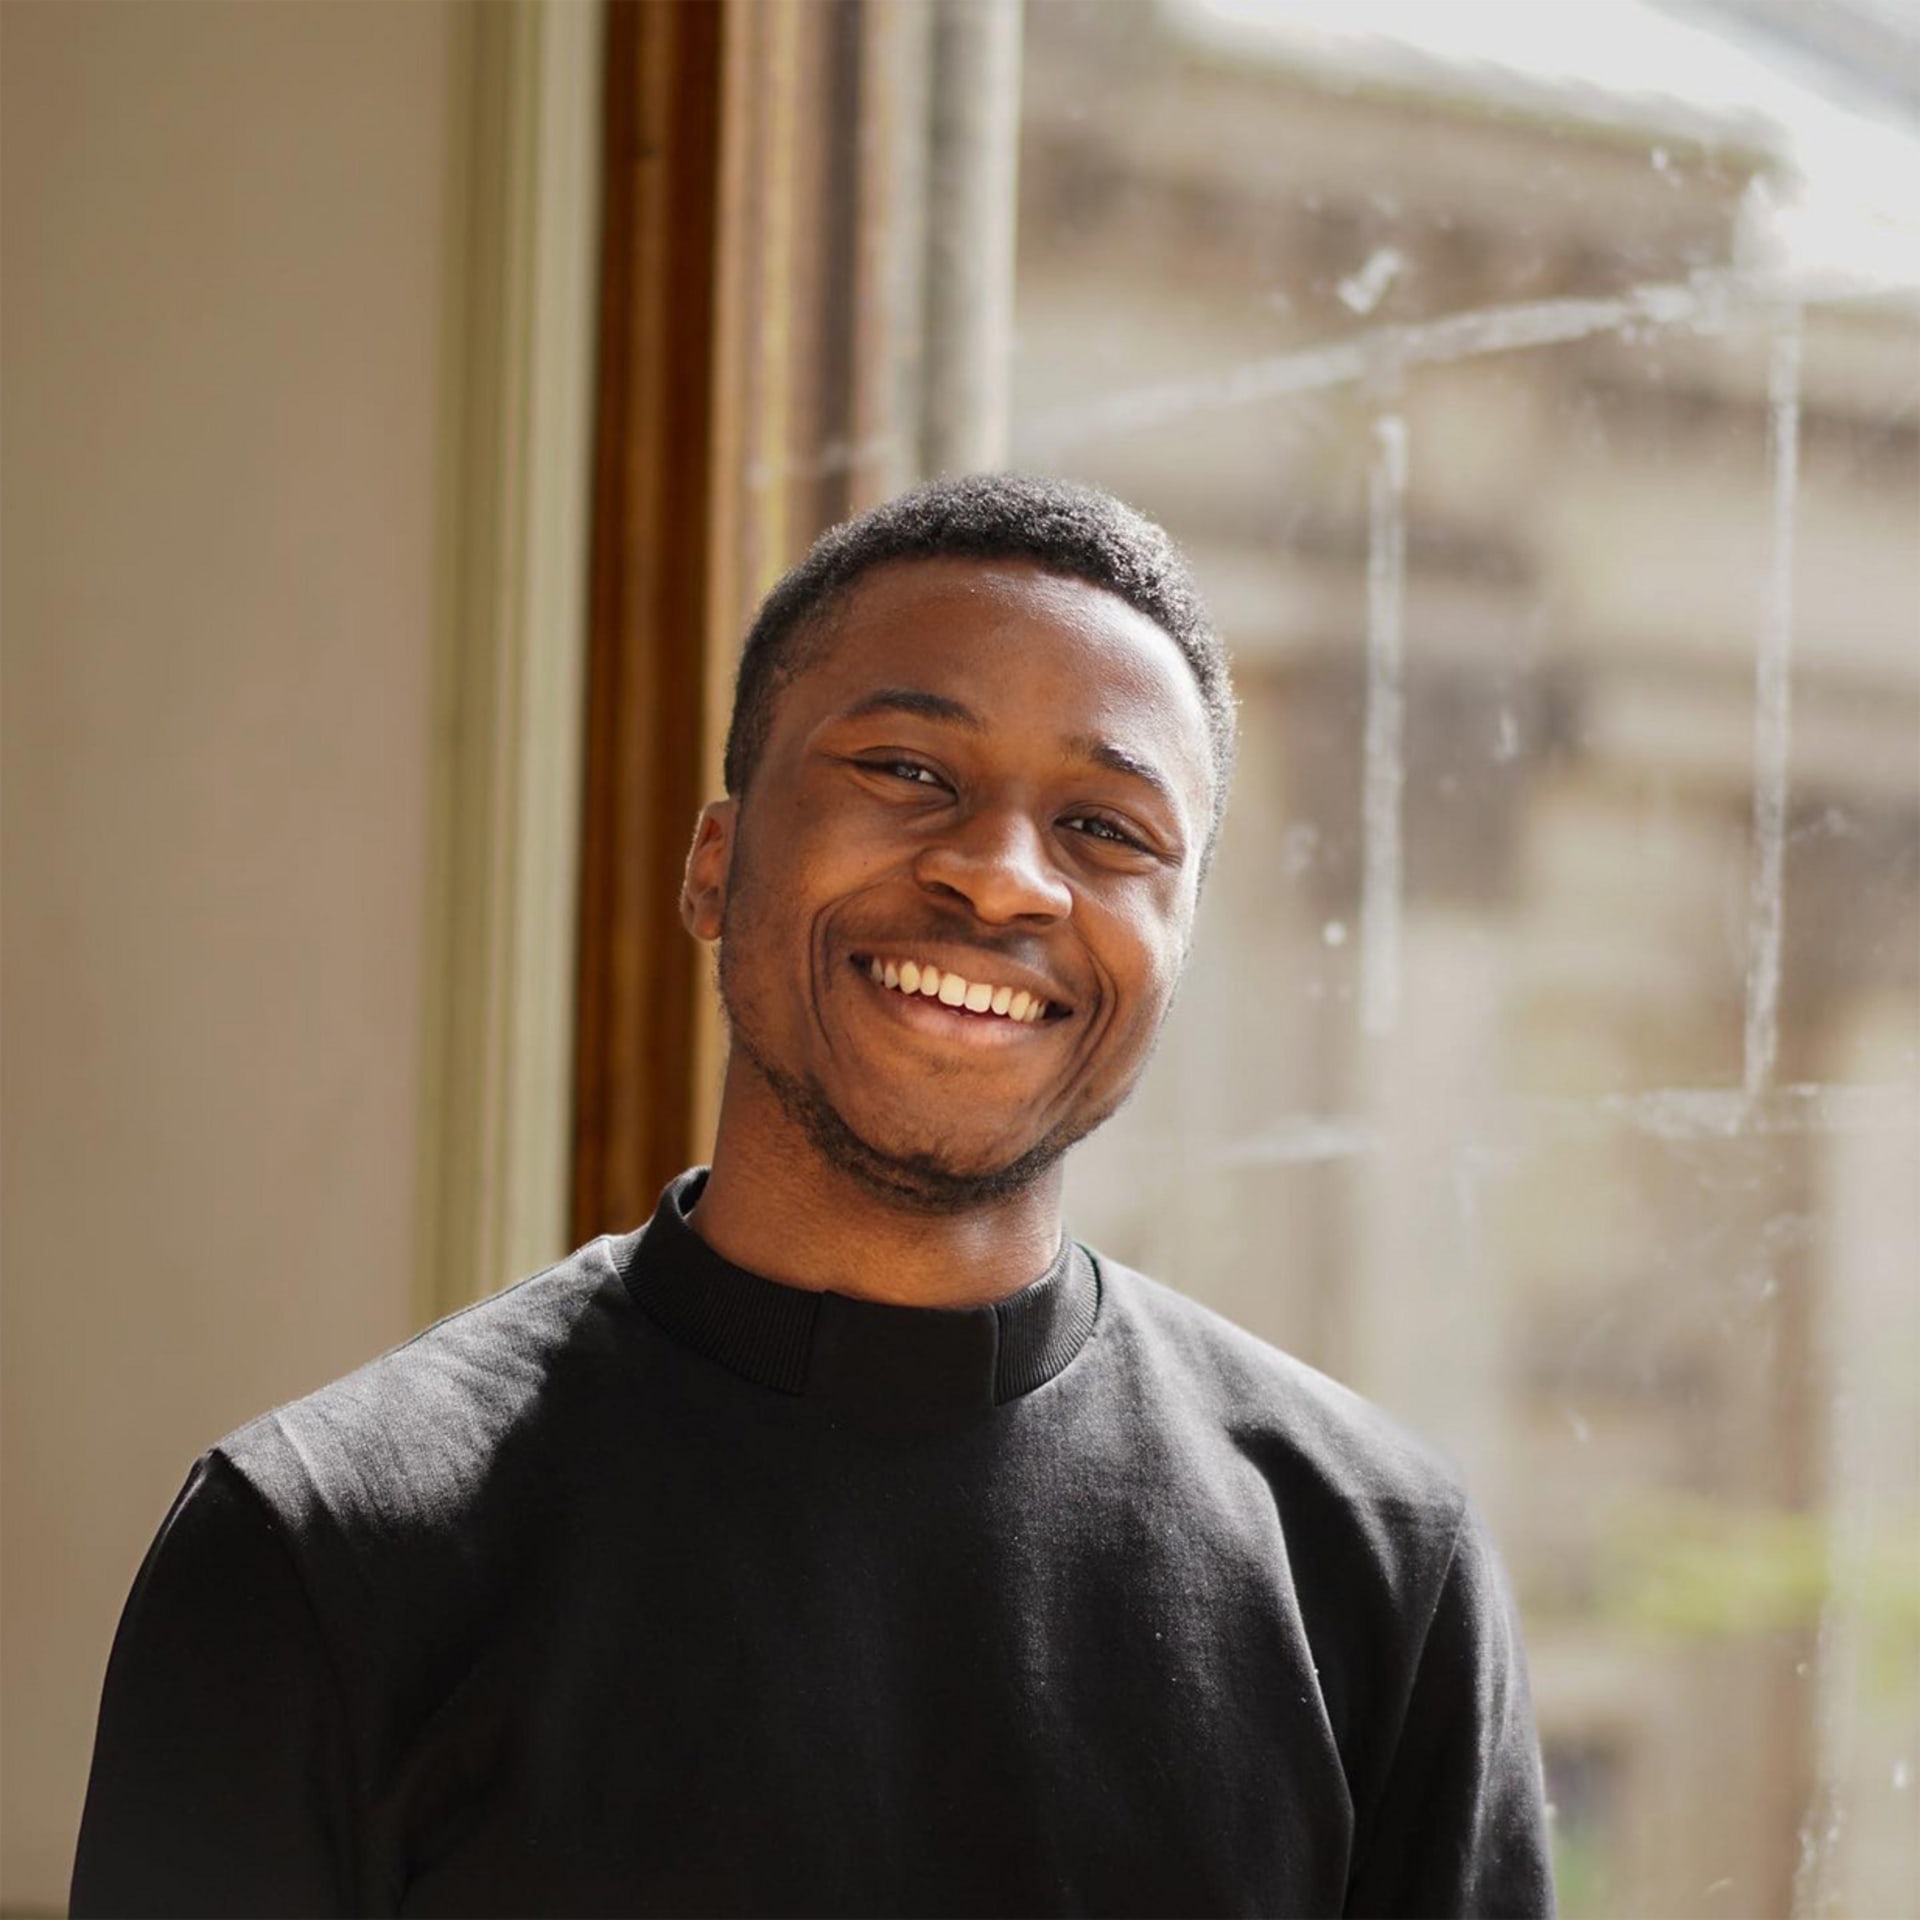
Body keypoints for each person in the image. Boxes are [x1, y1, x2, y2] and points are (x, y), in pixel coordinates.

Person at [72, 475, 1555, 1917]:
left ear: (1174, 954)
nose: (1000, 878)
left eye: (1107, 829)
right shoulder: (318, 1556)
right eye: (910, 773)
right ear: (716, 865)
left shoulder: (1375, 1567)